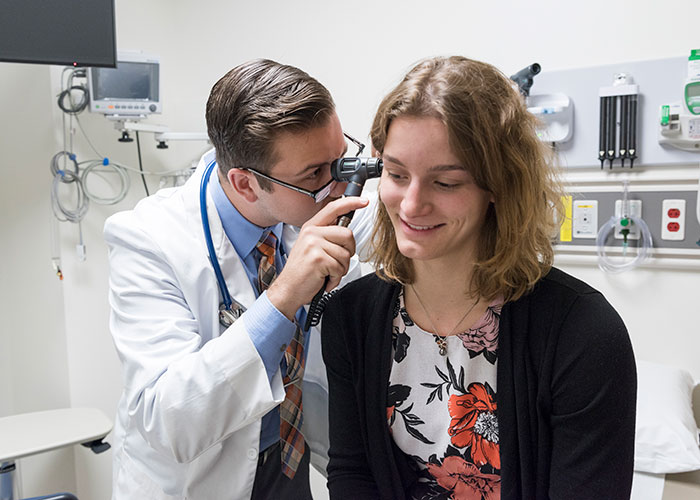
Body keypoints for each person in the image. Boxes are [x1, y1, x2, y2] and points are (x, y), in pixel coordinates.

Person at [321, 56, 637, 500]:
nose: (410, 206)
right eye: (396, 175)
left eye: (445, 182)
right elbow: (353, 473)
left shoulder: (583, 334)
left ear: (498, 186)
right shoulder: (350, 317)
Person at [104, 59, 375, 499]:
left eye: (340, 160)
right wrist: (284, 295)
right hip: (201, 479)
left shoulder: (314, 200)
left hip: (294, 465)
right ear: (246, 184)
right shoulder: (147, 239)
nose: (337, 185)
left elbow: (404, 227)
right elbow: (167, 419)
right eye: (315, 174)